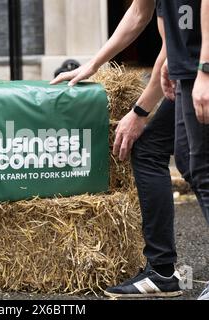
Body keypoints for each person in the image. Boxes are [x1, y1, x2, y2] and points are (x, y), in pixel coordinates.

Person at [51, 0, 209, 299]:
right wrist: (93, 64)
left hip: (199, 71)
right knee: (155, 151)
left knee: (200, 169)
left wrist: (203, 71)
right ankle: (161, 271)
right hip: (186, 72)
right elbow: (141, 15)